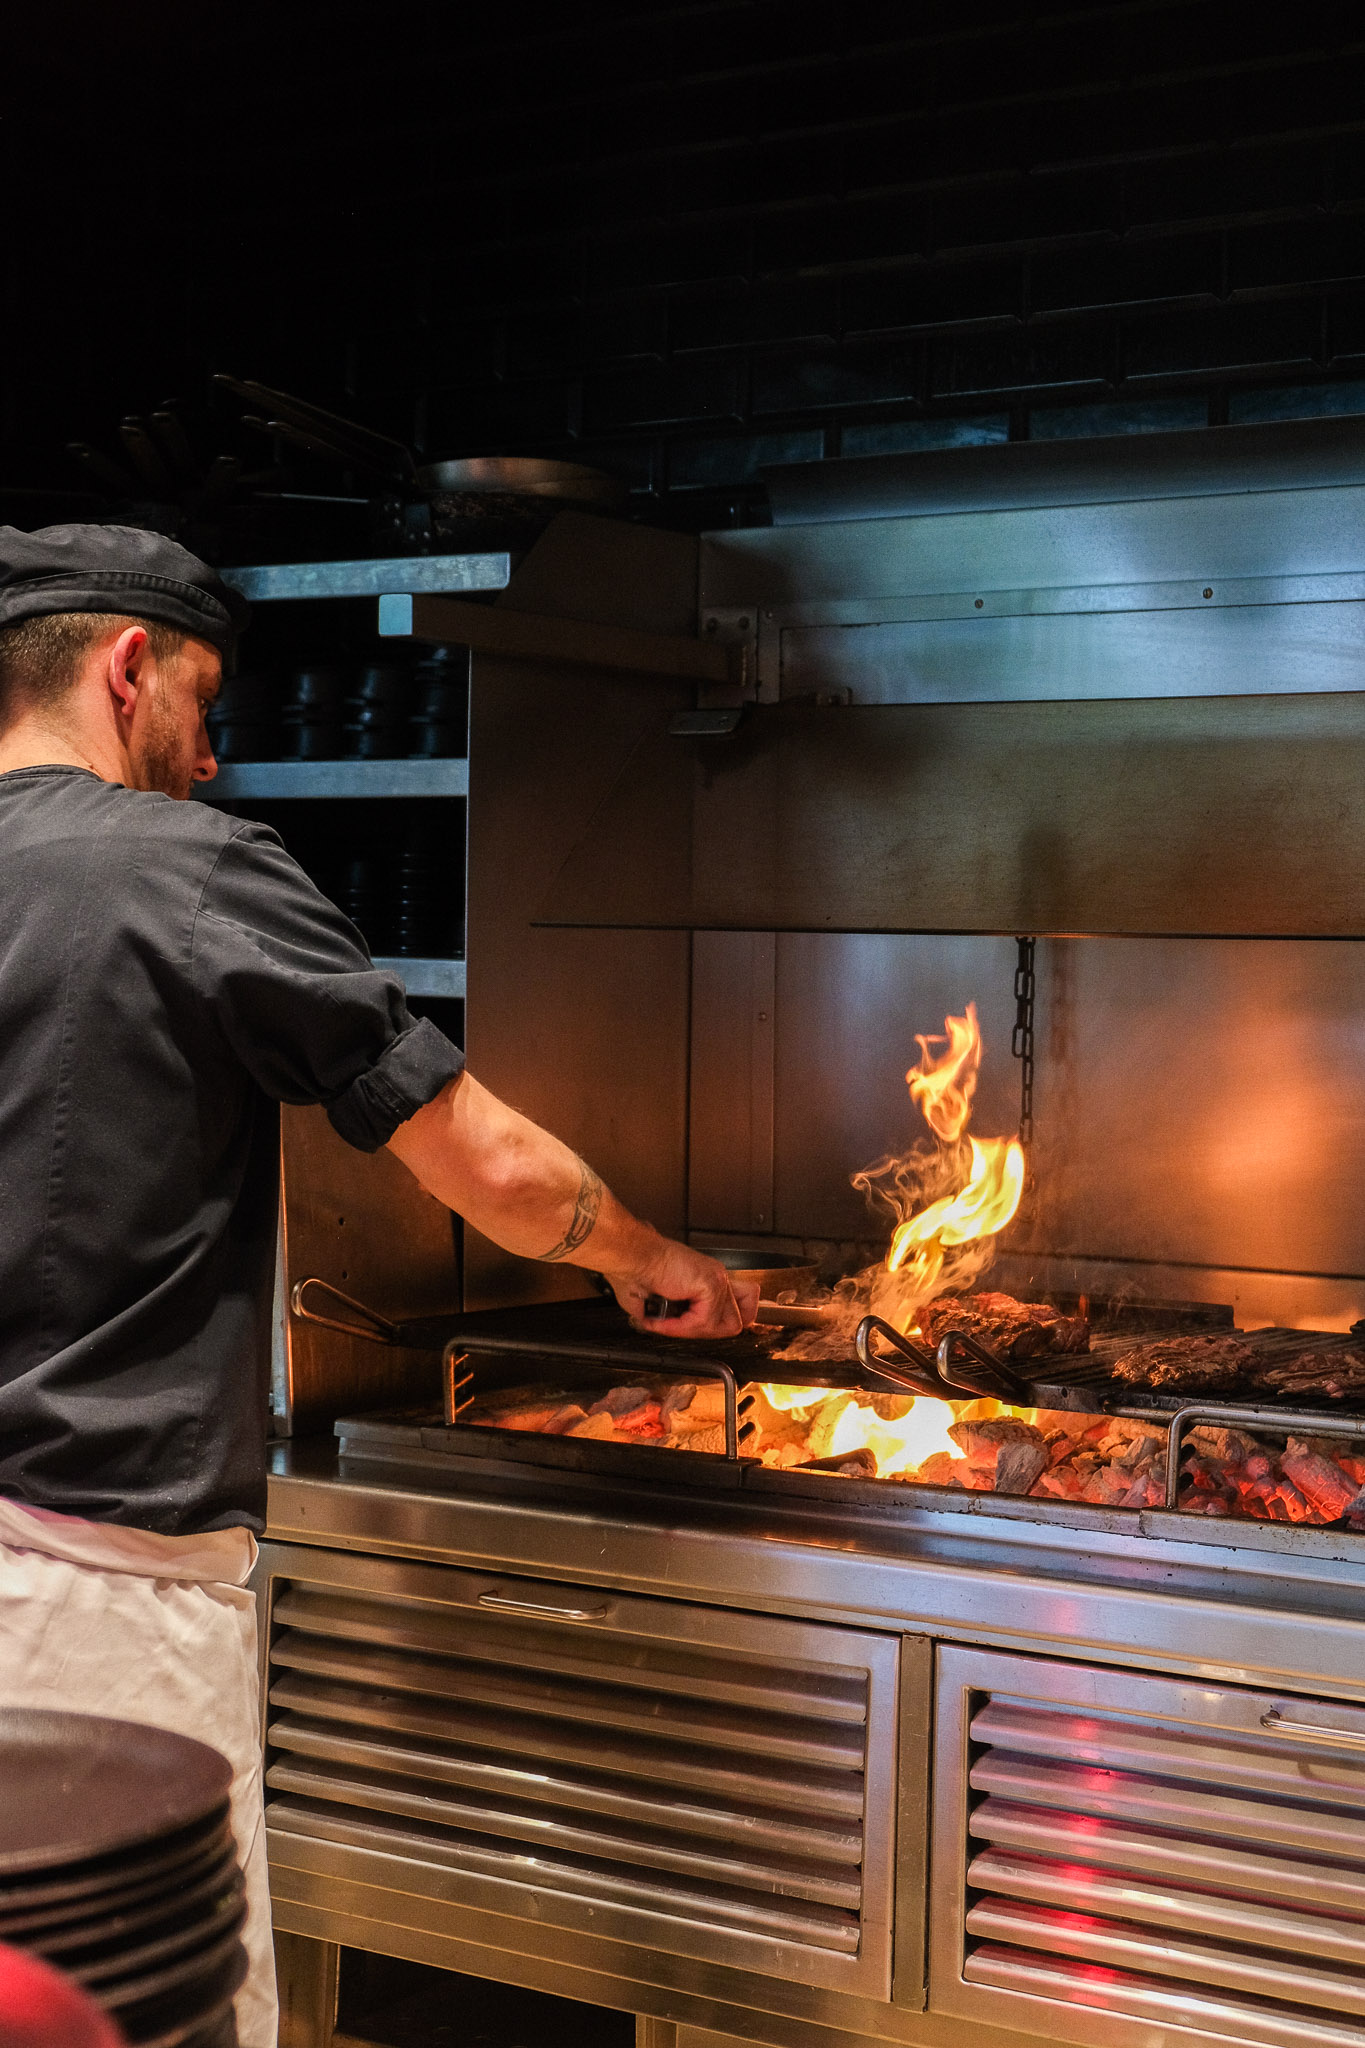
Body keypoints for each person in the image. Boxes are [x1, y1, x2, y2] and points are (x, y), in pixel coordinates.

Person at [0, 525, 754, 2048]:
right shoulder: (182, 868)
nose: (208, 762)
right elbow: (489, 1167)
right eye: (203, 709)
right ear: (127, 666)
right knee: (143, 2019)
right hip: (90, 1585)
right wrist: (654, 1264)